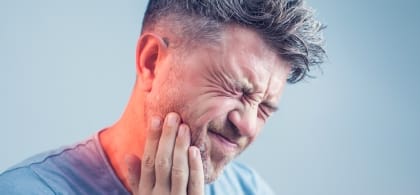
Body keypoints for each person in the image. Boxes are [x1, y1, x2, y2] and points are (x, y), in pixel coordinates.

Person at [0, 0, 325, 194]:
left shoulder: (251, 191)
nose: (248, 125)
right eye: (236, 89)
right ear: (152, 62)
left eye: (265, 108)